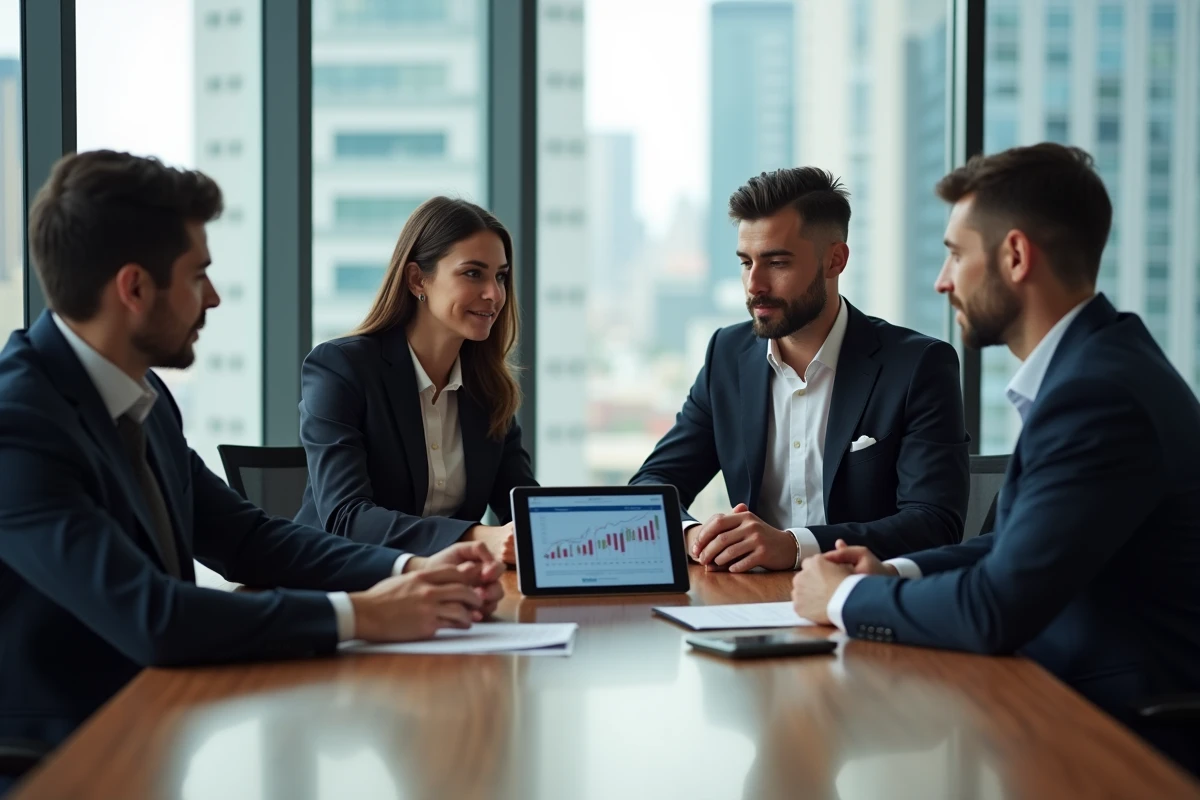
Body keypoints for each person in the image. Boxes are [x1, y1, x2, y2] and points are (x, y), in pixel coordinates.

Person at [0, 151, 505, 763]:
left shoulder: (143, 396)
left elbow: (249, 538)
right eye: (196, 276)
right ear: (134, 287)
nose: (212, 298)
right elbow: (153, 615)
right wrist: (362, 616)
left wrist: (406, 573)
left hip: (159, 720)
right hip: (61, 757)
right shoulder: (19, 425)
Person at [791, 143, 1200, 774]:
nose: (942, 279)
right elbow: (1013, 547)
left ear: (1014, 256)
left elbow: (996, 607)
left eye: (956, 253)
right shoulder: (1093, 369)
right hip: (1057, 699)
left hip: (1119, 735)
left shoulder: (1096, 394)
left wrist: (843, 600)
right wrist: (891, 573)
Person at [629, 167, 969, 571]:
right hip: (745, 606)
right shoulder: (726, 355)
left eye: (777, 262)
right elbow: (650, 488)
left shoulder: (917, 366)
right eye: (745, 262)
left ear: (835, 260)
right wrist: (696, 536)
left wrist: (794, 546)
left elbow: (934, 523)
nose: (755, 284)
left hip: (861, 603)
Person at [294, 197, 535, 562]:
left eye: (500, 276)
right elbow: (346, 518)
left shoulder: (488, 390)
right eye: (473, 273)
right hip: (341, 588)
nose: (494, 294)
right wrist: (476, 537)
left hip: (446, 593)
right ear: (417, 278)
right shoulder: (341, 368)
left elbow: (523, 508)